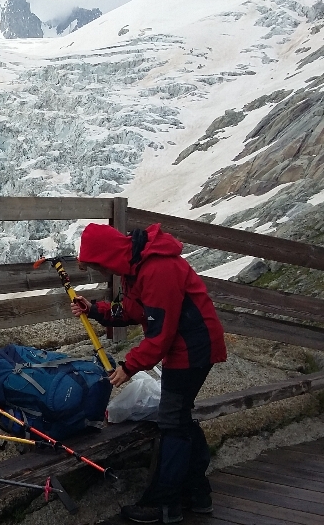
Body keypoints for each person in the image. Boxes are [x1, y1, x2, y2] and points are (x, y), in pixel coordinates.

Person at [71, 223, 227, 524]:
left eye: (97, 265)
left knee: (172, 423)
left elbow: (161, 334)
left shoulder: (157, 268)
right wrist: (95, 309)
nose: (100, 271)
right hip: (185, 346)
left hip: (193, 348)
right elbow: (133, 310)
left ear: (108, 256)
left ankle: (163, 504)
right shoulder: (136, 264)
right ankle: (196, 495)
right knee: (179, 420)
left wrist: (129, 367)